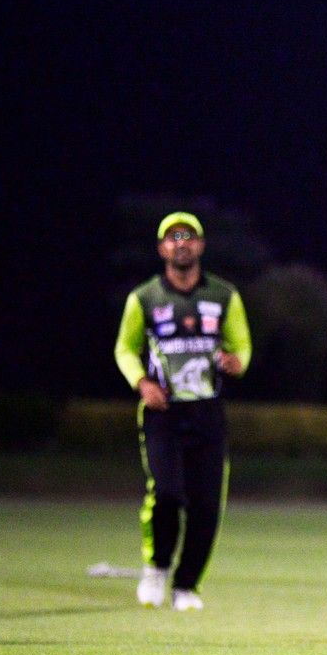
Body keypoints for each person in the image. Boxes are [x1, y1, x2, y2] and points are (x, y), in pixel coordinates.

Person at [114, 211, 252, 611]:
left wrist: (237, 362)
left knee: (206, 505)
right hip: (163, 413)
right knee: (168, 493)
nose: (181, 243)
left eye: (188, 236)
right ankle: (156, 568)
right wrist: (142, 382)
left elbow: (242, 346)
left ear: (201, 245)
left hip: (207, 411)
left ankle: (186, 585)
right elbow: (125, 349)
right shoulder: (144, 298)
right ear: (162, 248)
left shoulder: (224, 296)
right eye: (173, 237)